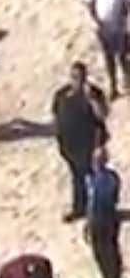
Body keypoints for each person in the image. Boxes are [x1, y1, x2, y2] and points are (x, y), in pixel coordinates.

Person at [51, 62, 110, 220]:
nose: (78, 80)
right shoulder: (61, 94)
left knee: (97, 179)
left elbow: (103, 115)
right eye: (74, 77)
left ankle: (103, 210)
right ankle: (80, 208)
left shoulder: (94, 93)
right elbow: (56, 114)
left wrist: (92, 100)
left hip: (91, 143)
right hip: (70, 144)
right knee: (77, 178)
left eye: (81, 77)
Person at [83, 0, 130, 99]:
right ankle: (113, 86)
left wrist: (124, 18)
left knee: (123, 54)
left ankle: (127, 81)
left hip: (119, 22)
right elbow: (90, 1)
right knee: (108, 56)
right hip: (102, 24)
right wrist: (97, 22)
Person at [85, 147, 123, 278]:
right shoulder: (101, 177)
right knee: (104, 253)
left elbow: (98, 202)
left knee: (107, 253)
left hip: (104, 219)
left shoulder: (100, 179)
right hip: (102, 218)